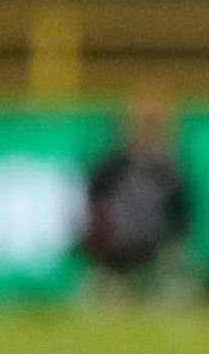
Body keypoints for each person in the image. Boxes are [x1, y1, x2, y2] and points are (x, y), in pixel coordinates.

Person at [80, 85, 199, 305]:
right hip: (114, 247)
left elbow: (183, 216)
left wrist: (171, 241)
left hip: (154, 246)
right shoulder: (112, 165)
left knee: (180, 268)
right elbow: (91, 205)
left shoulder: (169, 169)